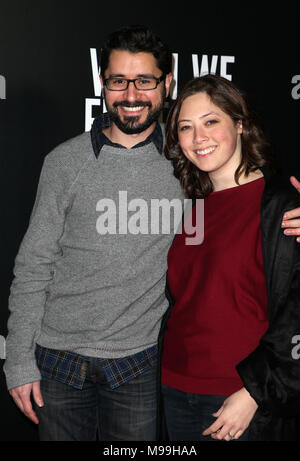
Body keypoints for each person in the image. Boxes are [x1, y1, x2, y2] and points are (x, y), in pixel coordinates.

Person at [3, 25, 300, 441]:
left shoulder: (185, 167)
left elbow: (251, 200)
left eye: (144, 81)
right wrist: (18, 360)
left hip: (138, 368)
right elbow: (33, 266)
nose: (131, 94)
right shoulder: (65, 163)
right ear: (102, 84)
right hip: (60, 362)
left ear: (166, 85)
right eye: (118, 81)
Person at [160, 74, 300, 441]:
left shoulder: (283, 206)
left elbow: (296, 311)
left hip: (239, 399)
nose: (198, 138)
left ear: (239, 124)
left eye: (211, 122)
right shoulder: (193, 210)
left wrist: (257, 391)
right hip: (174, 387)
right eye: (185, 128)